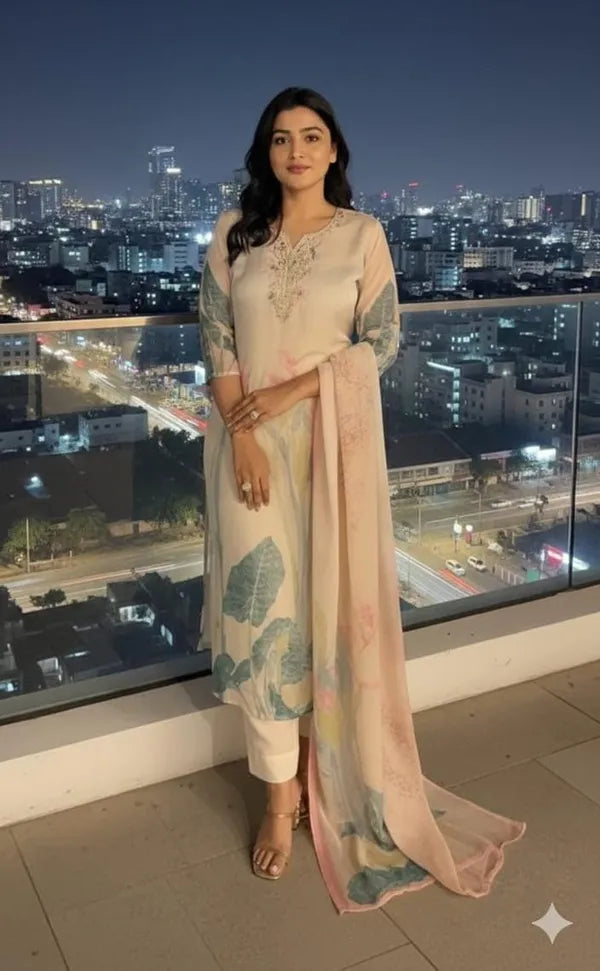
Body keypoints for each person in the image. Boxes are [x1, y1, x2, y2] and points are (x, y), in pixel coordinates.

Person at [200, 86, 526, 909]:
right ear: (266, 152)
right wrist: (244, 433)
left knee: (331, 614)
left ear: (335, 149)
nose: (296, 151)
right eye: (281, 138)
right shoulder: (234, 235)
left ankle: (332, 771)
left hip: (331, 450)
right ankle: (279, 798)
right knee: (263, 620)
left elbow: (381, 342)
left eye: (311, 136)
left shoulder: (362, 236)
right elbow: (217, 340)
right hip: (250, 452)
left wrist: (292, 391)